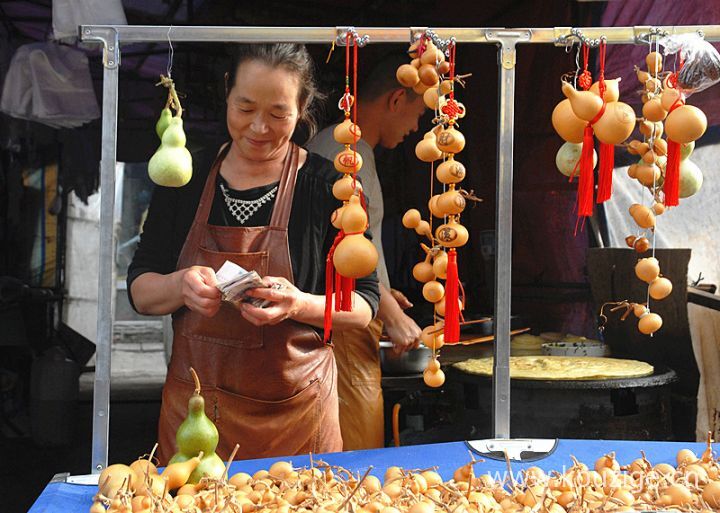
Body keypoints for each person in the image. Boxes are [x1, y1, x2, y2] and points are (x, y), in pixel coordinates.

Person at [127, 44, 380, 463]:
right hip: (196, 421)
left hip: (297, 419)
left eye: (279, 114)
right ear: (227, 93)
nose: (259, 127)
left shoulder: (329, 188)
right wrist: (180, 285)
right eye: (245, 109)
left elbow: (364, 304)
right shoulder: (185, 179)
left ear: (302, 110)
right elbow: (141, 288)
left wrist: (298, 303)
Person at [307, 53, 427, 450]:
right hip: (339, 321)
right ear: (396, 99)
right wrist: (391, 315)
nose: (416, 128)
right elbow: (344, 247)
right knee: (353, 437)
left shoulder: (344, 147)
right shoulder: (344, 156)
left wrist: (386, 293)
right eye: (416, 115)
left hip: (347, 310)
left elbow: (354, 246)